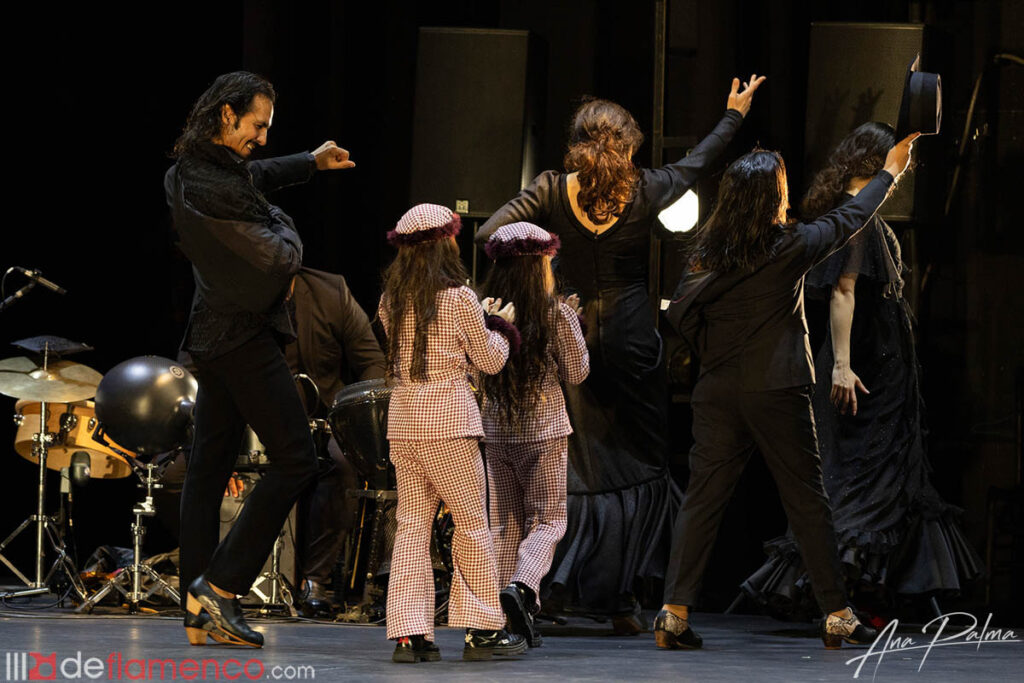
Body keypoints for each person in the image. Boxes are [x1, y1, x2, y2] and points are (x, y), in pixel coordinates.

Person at [475, 76, 764, 625]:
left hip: (574, 335)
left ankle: (555, 587)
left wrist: (544, 271)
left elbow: (489, 233)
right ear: (626, 144)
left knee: (580, 469)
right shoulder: (646, 187)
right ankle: (623, 595)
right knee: (642, 466)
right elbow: (700, 163)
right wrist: (733, 115)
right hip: (632, 340)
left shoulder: (550, 189)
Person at [658, 133, 918, 650]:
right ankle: (837, 614)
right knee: (807, 501)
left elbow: (680, 314)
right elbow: (850, 217)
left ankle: (673, 612)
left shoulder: (706, 255)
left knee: (702, 501)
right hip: (778, 388)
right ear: (772, 196)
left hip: (717, 389)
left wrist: (713, 351)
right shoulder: (789, 245)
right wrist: (892, 172)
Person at [740, 123, 982, 619]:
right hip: (865, 366)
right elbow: (842, 291)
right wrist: (843, 366)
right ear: (878, 159)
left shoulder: (857, 213)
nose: (907, 165)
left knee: (876, 475)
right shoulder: (857, 219)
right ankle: (842, 588)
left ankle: (863, 589)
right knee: (856, 476)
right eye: (902, 155)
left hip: (882, 366)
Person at [164, 70, 355, 647]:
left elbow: (257, 175)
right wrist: (287, 226)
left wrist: (310, 162)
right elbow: (280, 258)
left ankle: (196, 606)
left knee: (209, 467)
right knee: (298, 459)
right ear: (227, 114)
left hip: (213, 335)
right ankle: (220, 588)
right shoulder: (211, 184)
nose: (264, 137)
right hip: (241, 336)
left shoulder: (200, 170)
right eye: (257, 124)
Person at [378, 203, 526, 663]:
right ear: (444, 242)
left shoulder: (389, 300)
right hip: (449, 426)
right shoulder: (458, 297)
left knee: (411, 527)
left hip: (404, 425)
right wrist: (500, 324)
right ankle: (482, 629)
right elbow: (491, 360)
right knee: (472, 524)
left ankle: (410, 634)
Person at [477, 222, 590, 647]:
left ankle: (499, 619)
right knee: (548, 519)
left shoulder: (485, 309)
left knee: (504, 524)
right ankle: (523, 588)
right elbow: (577, 372)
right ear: (540, 264)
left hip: (497, 431)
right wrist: (574, 324)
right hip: (543, 430)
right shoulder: (554, 312)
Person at [285, 267, 388, 611]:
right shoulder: (237, 291)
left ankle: (315, 579)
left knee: (343, 464)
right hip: (255, 422)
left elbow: (372, 362)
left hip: (323, 420)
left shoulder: (331, 292)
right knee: (176, 474)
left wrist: (353, 416)